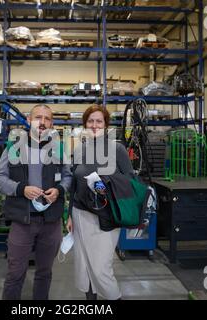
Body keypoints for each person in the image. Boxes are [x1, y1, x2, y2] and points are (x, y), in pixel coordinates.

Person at [0, 104, 72, 300]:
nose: (42, 122)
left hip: (50, 222)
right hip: (22, 221)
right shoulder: (14, 148)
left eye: (47, 118)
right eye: (38, 117)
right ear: (29, 121)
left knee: (45, 273)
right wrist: (21, 189)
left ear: (52, 123)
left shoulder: (58, 148)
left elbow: (68, 177)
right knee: (15, 273)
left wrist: (59, 190)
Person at [66, 105, 134, 300]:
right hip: (81, 215)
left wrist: (106, 187)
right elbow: (74, 184)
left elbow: (130, 181)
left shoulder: (117, 149)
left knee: (101, 269)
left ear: (105, 125)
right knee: (85, 267)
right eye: (90, 121)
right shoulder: (80, 150)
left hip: (107, 217)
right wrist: (69, 214)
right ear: (85, 124)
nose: (94, 125)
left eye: (99, 121)